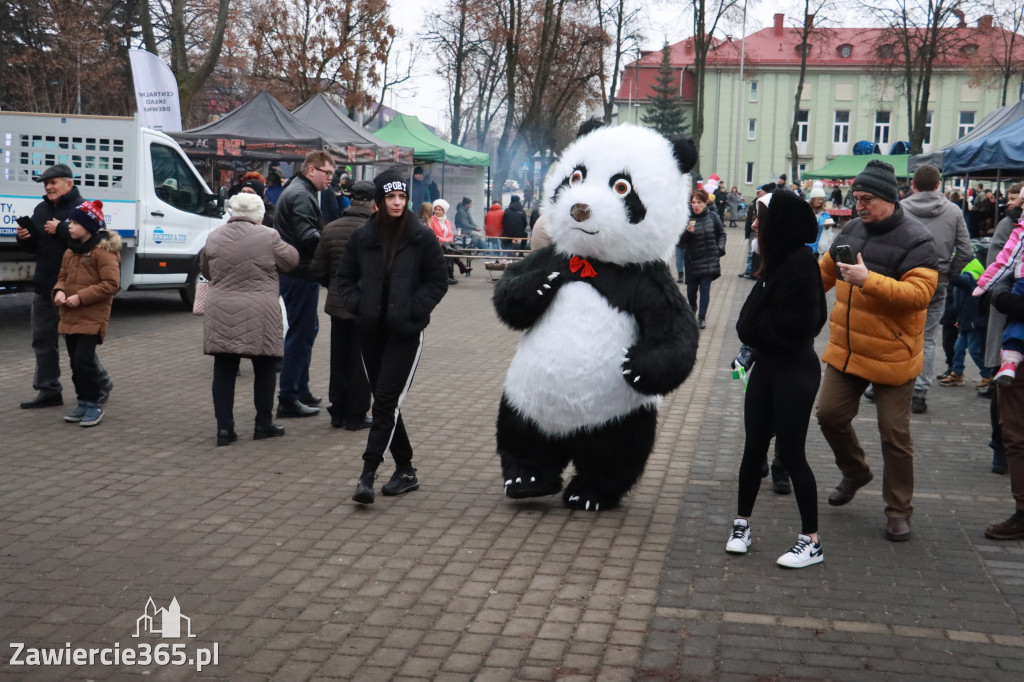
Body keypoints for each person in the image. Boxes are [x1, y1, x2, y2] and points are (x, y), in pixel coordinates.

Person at [816, 160, 938, 542]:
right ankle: (856, 472)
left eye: (867, 199)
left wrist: (869, 280)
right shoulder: (852, 229)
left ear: (891, 197)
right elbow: (821, 274)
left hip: (894, 355)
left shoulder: (918, 240)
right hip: (848, 349)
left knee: (894, 434)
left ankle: (898, 509)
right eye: (856, 199)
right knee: (829, 415)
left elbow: (919, 296)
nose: (859, 206)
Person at [335, 169, 449, 504]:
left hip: (405, 334)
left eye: (402, 197)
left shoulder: (421, 236)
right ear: (379, 201)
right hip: (370, 333)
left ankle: (367, 475)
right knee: (389, 404)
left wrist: (414, 311)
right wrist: (361, 306)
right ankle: (406, 470)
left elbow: (437, 281)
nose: (397, 203)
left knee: (385, 402)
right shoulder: (362, 237)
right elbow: (344, 279)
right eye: (390, 197)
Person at [727, 190, 827, 568]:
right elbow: (747, 321)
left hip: (794, 371)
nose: (754, 224)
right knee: (754, 448)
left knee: (791, 454)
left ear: (777, 223)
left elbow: (804, 322)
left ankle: (811, 540)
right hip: (767, 369)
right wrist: (753, 330)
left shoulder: (801, 260)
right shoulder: (776, 260)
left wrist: (754, 330)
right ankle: (742, 524)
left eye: (759, 218)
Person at [201, 193, 299, 445]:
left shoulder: (214, 236)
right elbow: (291, 260)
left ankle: (224, 429)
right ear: (259, 215)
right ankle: (263, 424)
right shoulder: (269, 236)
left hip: (221, 307)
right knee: (265, 367)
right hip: (260, 308)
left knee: (224, 369)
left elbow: (205, 269)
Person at [16, 164, 111, 409]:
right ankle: (48, 390)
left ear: (68, 184)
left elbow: (94, 241)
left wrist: (59, 228)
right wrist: (24, 238)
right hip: (44, 285)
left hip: (72, 289)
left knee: (79, 344)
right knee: (42, 341)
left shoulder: (82, 209)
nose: (48, 187)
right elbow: (36, 247)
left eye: (53, 182)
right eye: (45, 183)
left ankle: (100, 383)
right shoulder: (41, 208)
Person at [900, 164, 972, 413]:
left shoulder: (900, 209)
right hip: (937, 280)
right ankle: (919, 393)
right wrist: (949, 274)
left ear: (913, 184)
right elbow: (966, 251)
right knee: (927, 338)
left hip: (903, 280)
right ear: (938, 184)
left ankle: (887, 383)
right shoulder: (953, 211)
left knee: (896, 331)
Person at [309, 179, 375, 431]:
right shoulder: (376, 230)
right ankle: (356, 414)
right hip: (366, 306)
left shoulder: (331, 228)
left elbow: (317, 269)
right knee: (362, 361)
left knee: (339, 359)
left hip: (337, 304)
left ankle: (337, 410)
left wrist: (334, 286)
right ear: (373, 202)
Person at [274, 150, 334, 418]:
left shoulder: (299, 190)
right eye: (328, 173)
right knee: (300, 335)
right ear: (312, 170)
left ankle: (301, 388)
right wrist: (332, 241)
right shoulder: (301, 195)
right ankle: (288, 397)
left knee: (307, 330)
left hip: (298, 272)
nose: (331, 178)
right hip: (298, 273)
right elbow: (307, 236)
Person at [52, 200, 122, 428]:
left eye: (74, 222)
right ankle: (82, 401)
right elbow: (62, 276)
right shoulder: (70, 252)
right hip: (70, 315)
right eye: (70, 222)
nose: (70, 226)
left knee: (84, 361)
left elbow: (111, 283)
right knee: (75, 362)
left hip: (92, 315)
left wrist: (81, 297)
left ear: (89, 226)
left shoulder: (103, 252)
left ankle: (94, 403)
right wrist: (59, 291)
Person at [983, 267, 1024, 539]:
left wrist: (1001, 295)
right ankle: (1022, 512)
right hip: (1016, 357)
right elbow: (1001, 278)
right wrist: (999, 293)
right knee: (1014, 434)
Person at [972, 215, 1024, 385]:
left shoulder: (1020, 228)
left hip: (1021, 280)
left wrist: (985, 283)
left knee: (1017, 319)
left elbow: (1006, 261)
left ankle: (1010, 360)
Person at [679, 188, 726, 330]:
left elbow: (722, 234)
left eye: (699, 202)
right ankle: (692, 308)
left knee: (705, 289)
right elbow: (680, 242)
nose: (696, 205)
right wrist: (687, 233)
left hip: (710, 259)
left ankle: (701, 317)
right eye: (693, 202)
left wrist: (719, 249)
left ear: (705, 203)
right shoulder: (686, 219)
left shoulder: (713, 217)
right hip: (693, 261)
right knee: (691, 291)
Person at [429, 199, 470, 283]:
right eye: (436, 209)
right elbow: (432, 234)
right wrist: (445, 240)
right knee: (449, 250)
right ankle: (460, 267)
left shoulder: (447, 222)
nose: (437, 211)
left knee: (449, 251)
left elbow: (450, 235)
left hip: (446, 245)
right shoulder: (432, 220)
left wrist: (449, 240)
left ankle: (450, 275)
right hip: (436, 244)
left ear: (444, 211)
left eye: (439, 210)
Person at [739, 183, 774, 279]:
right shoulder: (755, 202)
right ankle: (750, 270)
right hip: (753, 234)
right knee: (751, 253)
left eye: (760, 192)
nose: (753, 225)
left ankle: (752, 270)